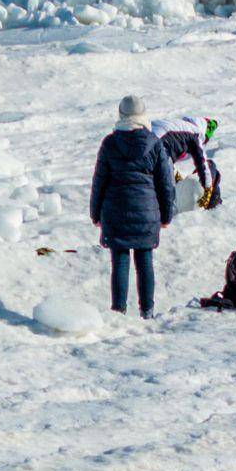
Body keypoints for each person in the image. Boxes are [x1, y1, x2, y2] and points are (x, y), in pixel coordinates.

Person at [91, 96, 175, 319]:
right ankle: (147, 311)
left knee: (120, 261)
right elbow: (165, 183)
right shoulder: (154, 143)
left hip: (115, 210)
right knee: (144, 261)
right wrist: (167, 214)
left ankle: (118, 311)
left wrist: (95, 213)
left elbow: (99, 181)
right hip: (147, 211)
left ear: (121, 114)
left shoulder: (110, 143)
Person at [152, 115, 222, 209]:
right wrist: (208, 188)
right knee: (169, 196)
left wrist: (174, 173)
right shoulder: (194, 133)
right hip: (159, 149)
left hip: (138, 144)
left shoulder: (178, 127)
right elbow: (203, 164)